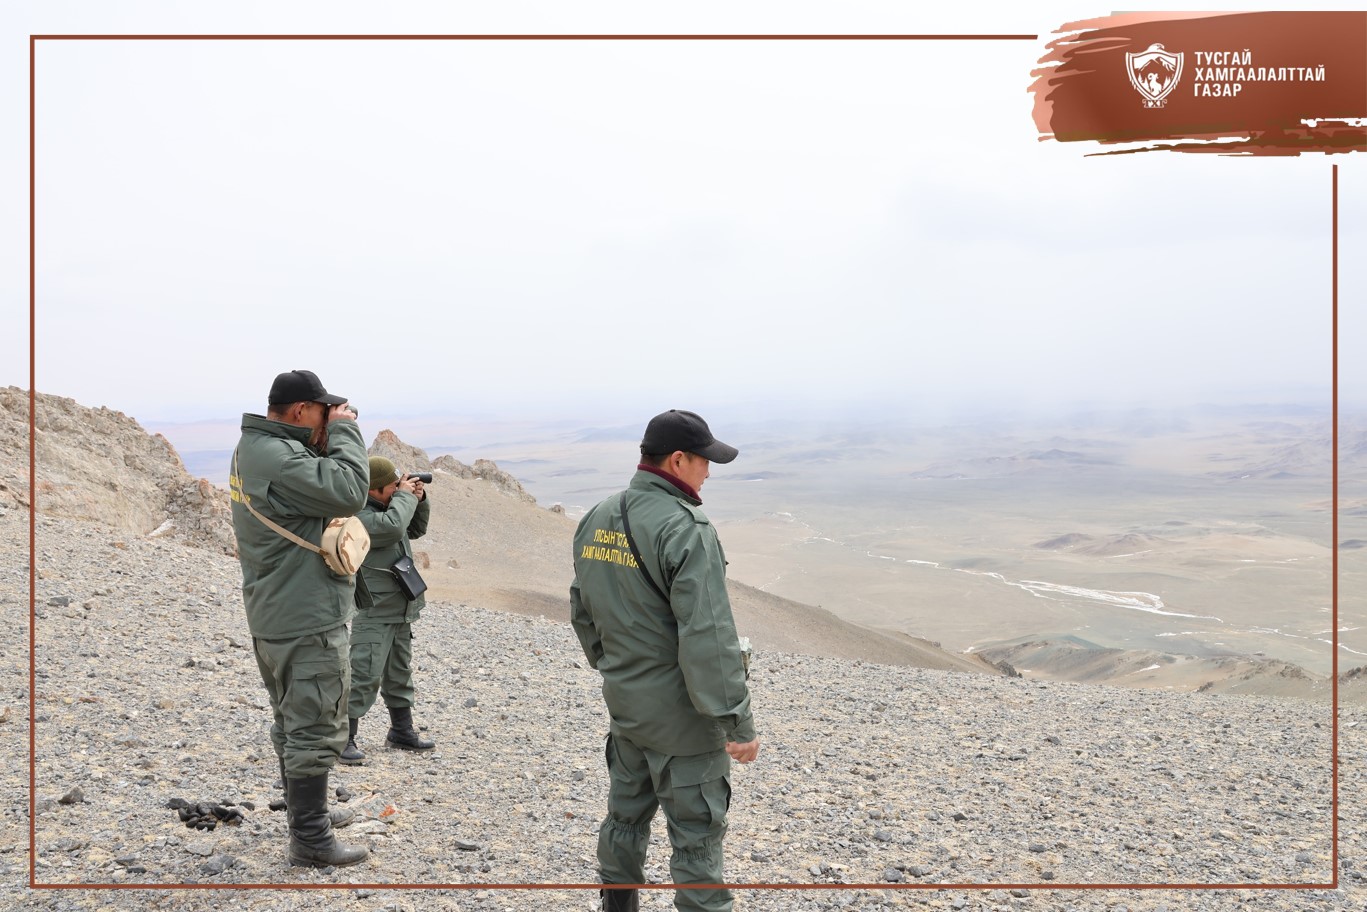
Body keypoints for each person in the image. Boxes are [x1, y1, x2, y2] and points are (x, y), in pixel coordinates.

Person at [570, 409, 759, 912]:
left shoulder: (598, 516)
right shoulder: (686, 528)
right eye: (704, 460)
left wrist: (619, 670)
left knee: (624, 822)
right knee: (696, 843)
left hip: (628, 712)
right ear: (677, 460)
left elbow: (583, 609)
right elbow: (709, 638)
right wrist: (737, 722)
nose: (708, 472)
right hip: (685, 725)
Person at [229, 369, 371, 869]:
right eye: (322, 411)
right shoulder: (280, 459)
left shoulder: (254, 448)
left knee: (292, 718)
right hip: (305, 615)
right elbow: (350, 490)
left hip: (276, 610)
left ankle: (307, 816)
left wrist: (325, 434)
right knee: (314, 722)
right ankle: (310, 838)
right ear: (299, 411)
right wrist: (346, 431)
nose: (326, 419)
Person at [340, 456, 434, 764]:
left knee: (399, 672)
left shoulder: (389, 507)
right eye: (393, 486)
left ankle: (401, 731)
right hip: (375, 610)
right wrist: (404, 498)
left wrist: (418, 500)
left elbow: (415, 528)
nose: (397, 490)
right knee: (364, 673)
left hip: (399, 607)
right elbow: (393, 528)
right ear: (374, 489)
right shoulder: (360, 517)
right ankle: (343, 738)